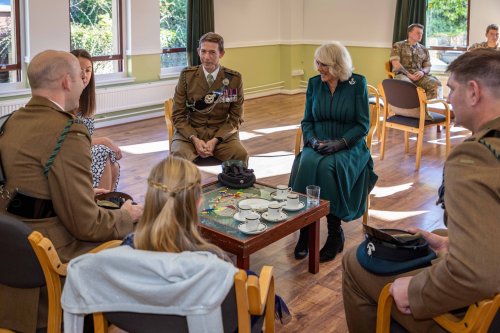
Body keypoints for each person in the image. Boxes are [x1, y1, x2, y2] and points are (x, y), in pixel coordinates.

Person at [342, 49, 500, 332]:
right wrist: (452, 244)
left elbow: (476, 275)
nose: (448, 98)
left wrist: (415, 292)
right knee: (438, 236)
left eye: (452, 89)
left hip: (484, 318)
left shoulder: (475, 157)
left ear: (474, 92)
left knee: (354, 263)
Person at [0, 50, 143, 333]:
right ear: (67, 81)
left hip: (11, 244)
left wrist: (84, 191)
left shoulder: (10, 122)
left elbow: (28, 186)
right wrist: (127, 215)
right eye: (80, 76)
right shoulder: (68, 131)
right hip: (47, 258)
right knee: (137, 234)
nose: (83, 82)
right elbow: (87, 225)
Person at [289, 42, 378, 263]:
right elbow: (307, 120)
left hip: (349, 145)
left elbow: (362, 125)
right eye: (318, 63)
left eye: (324, 65)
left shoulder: (357, 84)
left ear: (338, 65)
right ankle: (305, 230)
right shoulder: (314, 84)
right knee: (306, 164)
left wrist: (340, 143)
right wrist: (311, 140)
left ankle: (334, 232)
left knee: (329, 167)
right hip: (317, 141)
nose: (319, 69)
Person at [171, 32, 249, 164]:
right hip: (190, 133)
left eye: (212, 52)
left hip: (221, 134)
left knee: (240, 154)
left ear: (221, 54)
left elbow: (236, 118)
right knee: (178, 155)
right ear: (198, 51)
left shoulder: (234, 79)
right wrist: (194, 138)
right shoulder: (186, 76)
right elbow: (178, 115)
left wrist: (216, 139)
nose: (206, 57)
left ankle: (231, 184)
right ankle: (185, 185)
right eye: (203, 51)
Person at [70, 49, 122, 191]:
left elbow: (84, 138)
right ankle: (102, 209)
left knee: (114, 166)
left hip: (82, 150)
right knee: (102, 152)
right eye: (80, 70)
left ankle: (108, 206)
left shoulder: (84, 98)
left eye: (88, 70)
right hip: (68, 153)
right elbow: (73, 141)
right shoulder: (66, 99)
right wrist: (106, 141)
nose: (85, 75)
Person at [390, 23, 442, 99]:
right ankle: (411, 108)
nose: (420, 35)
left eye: (421, 33)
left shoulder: (424, 49)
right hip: (403, 75)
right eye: (418, 33)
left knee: (437, 84)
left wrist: (422, 72)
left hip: (419, 76)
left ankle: (423, 106)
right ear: (410, 33)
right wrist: (409, 74)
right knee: (409, 86)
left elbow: (427, 66)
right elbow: (396, 64)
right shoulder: (398, 46)